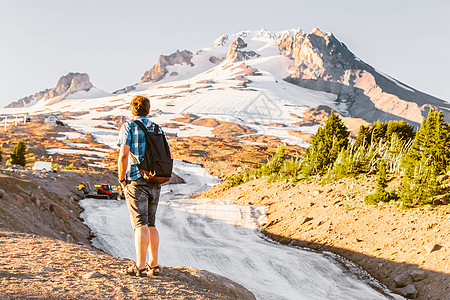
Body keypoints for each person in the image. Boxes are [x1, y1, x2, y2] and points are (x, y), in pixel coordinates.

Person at [117, 95, 168, 277]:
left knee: (140, 224)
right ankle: (153, 265)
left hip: (136, 180)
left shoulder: (128, 127)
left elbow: (124, 155)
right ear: (148, 109)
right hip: (155, 179)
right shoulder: (157, 127)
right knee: (151, 223)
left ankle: (139, 266)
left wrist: (121, 178)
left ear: (132, 110)